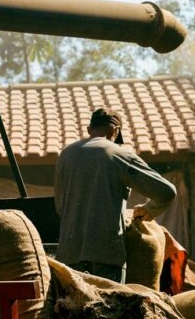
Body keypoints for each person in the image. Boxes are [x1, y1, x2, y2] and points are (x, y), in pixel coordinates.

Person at [54, 108, 176, 283]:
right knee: (108, 308)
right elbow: (167, 192)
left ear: (89, 129)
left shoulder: (66, 155)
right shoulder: (119, 154)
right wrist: (147, 209)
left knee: (71, 309)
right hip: (106, 258)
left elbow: (60, 207)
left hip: (68, 258)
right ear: (115, 131)